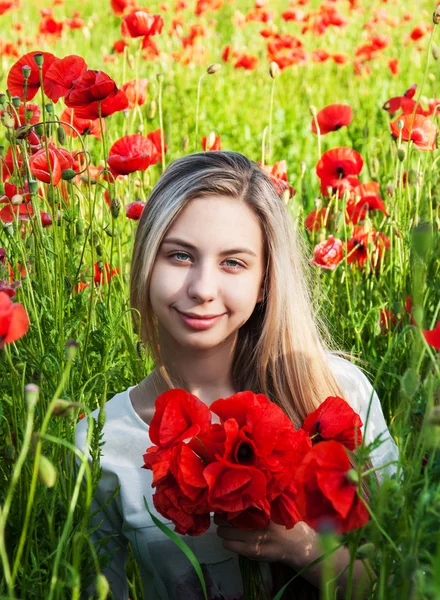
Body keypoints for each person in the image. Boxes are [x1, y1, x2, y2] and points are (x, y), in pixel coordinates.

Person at [75, 151, 399, 600]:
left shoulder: (336, 393)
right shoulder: (101, 442)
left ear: (264, 281)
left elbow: (402, 576)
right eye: (181, 255)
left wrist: (302, 547)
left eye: (233, 262)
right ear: (147, 264)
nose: (203, 289)